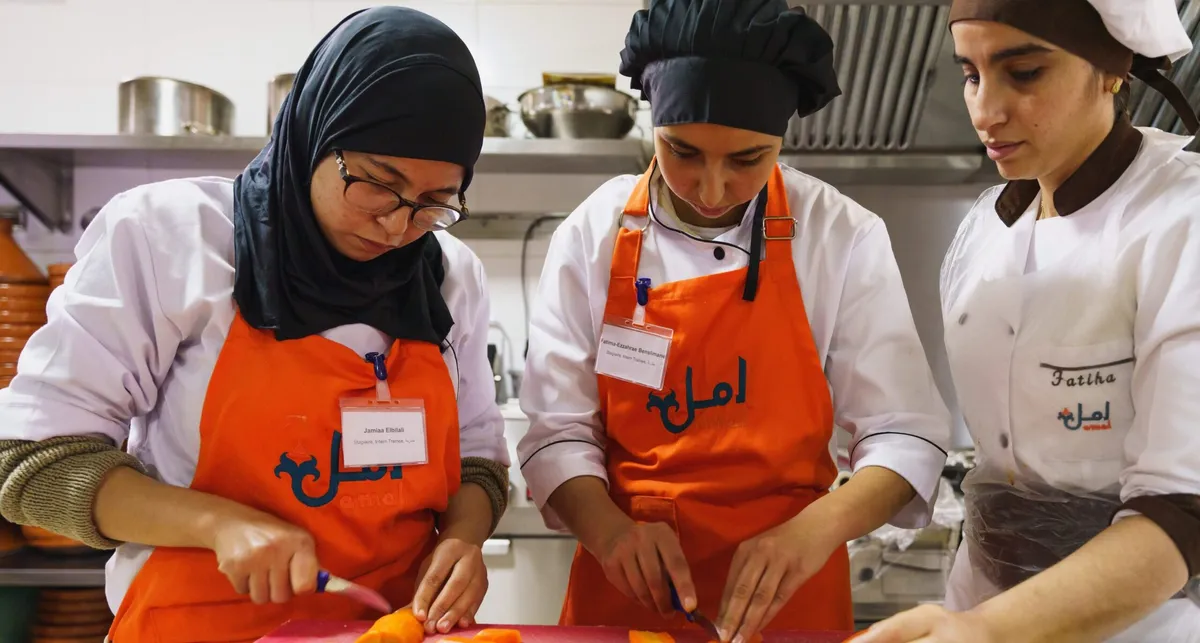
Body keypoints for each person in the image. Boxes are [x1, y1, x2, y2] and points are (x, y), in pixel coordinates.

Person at [0, 7, 511, 641]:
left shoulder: (447, 276)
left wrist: (464, 537)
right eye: (379, 182)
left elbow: (478, 464)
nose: (397, 225)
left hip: (391, 628)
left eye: (436, 202)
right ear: (314, 131)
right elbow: (30, 465)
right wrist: (216, 524)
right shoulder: (169, 238)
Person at [517, 1, 953, 641]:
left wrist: (816, 530)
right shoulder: (595, 231)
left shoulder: (840, 234)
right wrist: (609, 532)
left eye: (747, 160)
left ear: (782, 140)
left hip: (789, 593)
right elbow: (556, 431)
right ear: (653, 122)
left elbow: (904, 436)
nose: (712, 188)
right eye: (682, 151)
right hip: (626, 590)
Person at [856, 1, 1200, 642]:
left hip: (1138, 622)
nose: (986, 110)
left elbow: (1184, 510)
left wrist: (989, 631)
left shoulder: (1181, 221)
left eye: (1025, 73)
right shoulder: (983, 229)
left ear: (1111, 70)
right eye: (970, 74)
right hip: (978, 600)